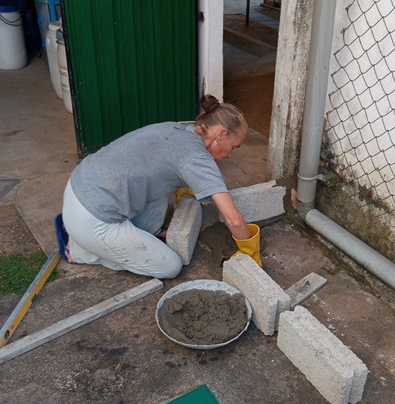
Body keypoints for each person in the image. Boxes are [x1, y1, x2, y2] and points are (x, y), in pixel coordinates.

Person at [60, 94, 262, 279]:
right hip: (92, 217)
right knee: (170, 266)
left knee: (159, 196)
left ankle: (130, 236)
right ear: (220, 134)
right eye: (233, 147)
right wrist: (250, 252)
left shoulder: (180, 128)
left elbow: (169, 162)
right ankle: (81, 251)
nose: (230, 155)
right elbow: (234, 220)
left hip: (81, 185)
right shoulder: (196, 159)